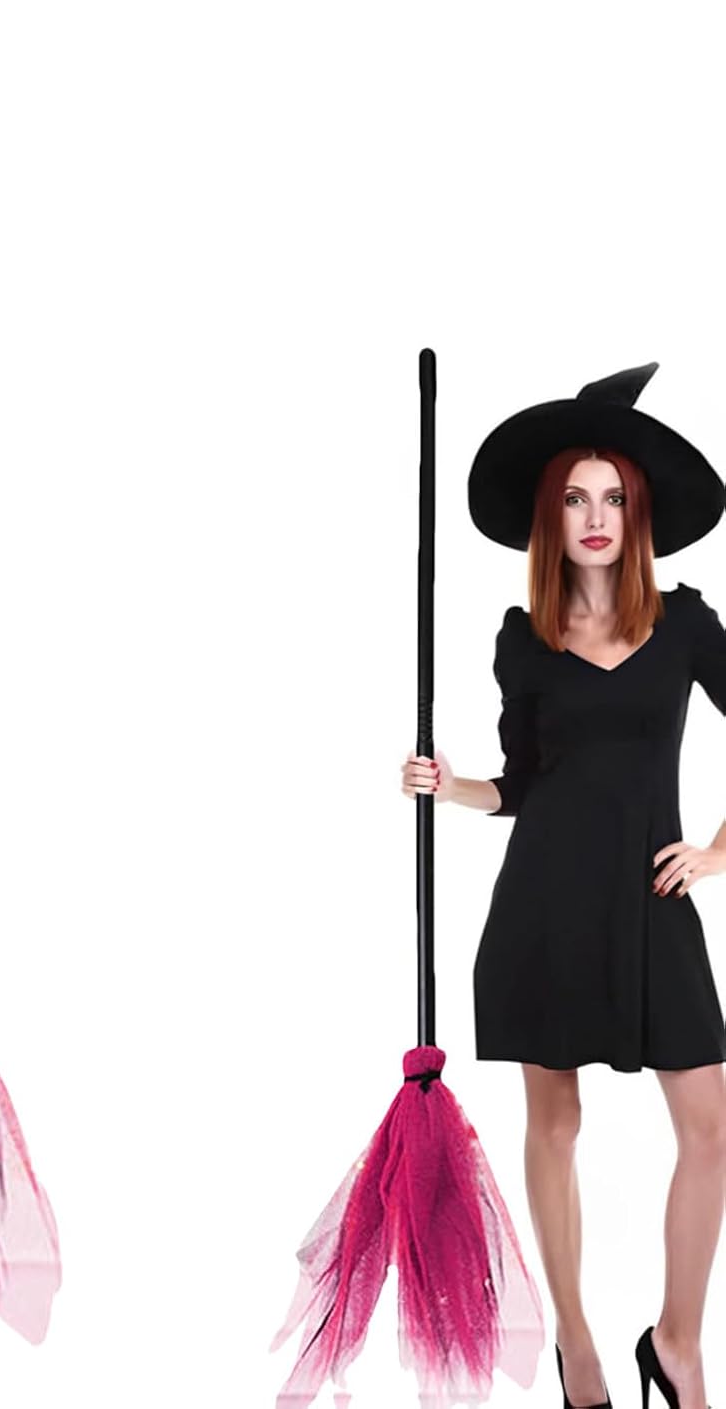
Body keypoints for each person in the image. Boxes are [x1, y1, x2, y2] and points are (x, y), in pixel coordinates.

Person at [401, 363, 726, 1409]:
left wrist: (717, 851)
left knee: (711, 1127)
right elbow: (524, 784)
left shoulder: (684, 623)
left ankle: (677, 1342)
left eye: (613, 498)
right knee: (556, 1126)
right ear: (551, 516)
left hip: (653, 905)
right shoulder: (524, 640)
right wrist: (449, 785)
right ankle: (577, 1349)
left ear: (638, 514)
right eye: (576, 499)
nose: (595, 518)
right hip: (543, 909)